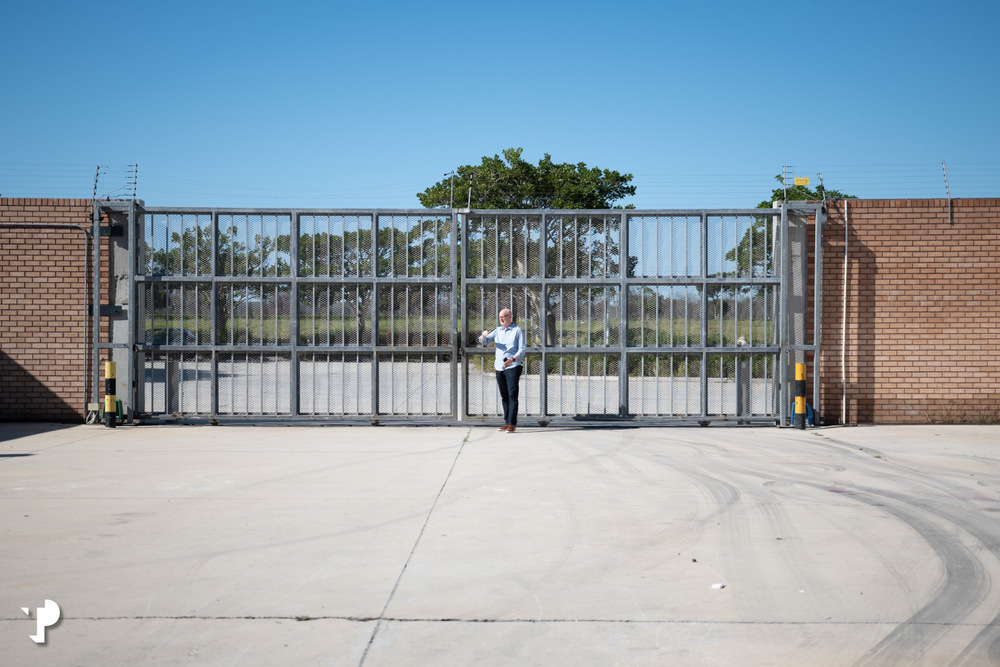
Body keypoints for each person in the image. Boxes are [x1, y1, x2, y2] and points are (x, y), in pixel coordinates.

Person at [480, 308, 526, 432]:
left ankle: (512, 424)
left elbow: (522, 349)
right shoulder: (498, 331)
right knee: (504, 396)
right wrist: (484, 335)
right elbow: (484, 341)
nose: (501, 319)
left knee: (512, 395)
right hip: (499, 367)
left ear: (510, 316)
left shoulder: (517, 330)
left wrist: (513, 359)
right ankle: (506, 422)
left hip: (513, 367)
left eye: (503, 316)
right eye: (500, 317)